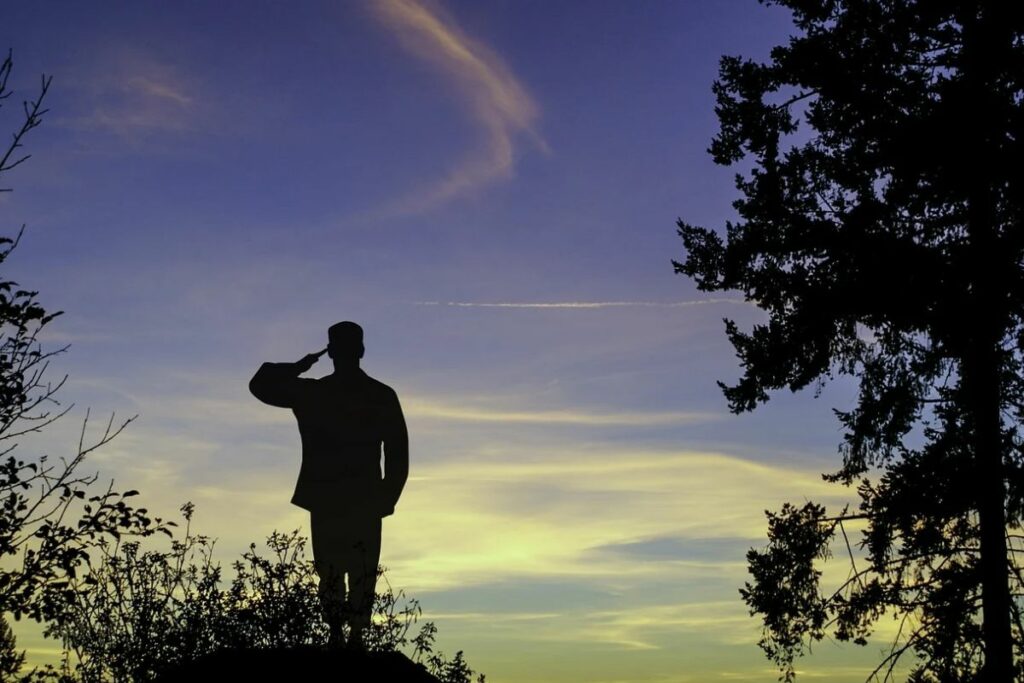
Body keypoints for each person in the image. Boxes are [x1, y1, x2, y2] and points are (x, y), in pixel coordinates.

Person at [248, 321, 408, 650]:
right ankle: (348, 635)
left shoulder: (315, 393)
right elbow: (398, 455)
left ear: (332, 351)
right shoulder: (375, 394)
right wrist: (386, 497)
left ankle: (345, 634)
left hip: (338, 498)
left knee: (338, 569)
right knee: (352, 570)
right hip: (357, 498)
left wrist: (298, 366)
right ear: (361, 350)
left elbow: (262, 383)